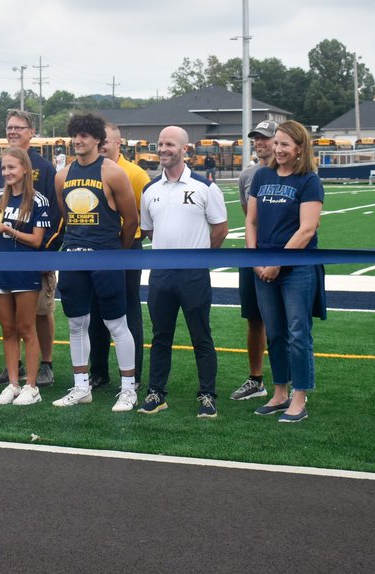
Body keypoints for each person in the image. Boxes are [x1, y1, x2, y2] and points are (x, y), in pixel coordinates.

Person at [136, 126, 228, 418]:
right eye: (160, 143)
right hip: (161, 273)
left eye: (170, 144)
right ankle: (156, 392)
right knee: (161, 335)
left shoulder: (205, 187)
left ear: (185, 150)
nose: (163, 149)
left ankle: (207, 395)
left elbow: (220, 229)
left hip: (194, 275)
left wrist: (197, 257)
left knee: (201, 335)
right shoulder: (150, 190)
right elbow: (148, 230)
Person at [51, 112, 139, 411]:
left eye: (84, 135)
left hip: (107, 257)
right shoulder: (62, 175)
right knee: (76, 324)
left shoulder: (113, 172)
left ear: (98, 140)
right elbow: (66, 219)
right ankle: (80, 387)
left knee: (116, 323)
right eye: (74, 135)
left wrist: (116, 253)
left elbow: (131, 221)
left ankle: (128, 388)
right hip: (74, 257)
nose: (78, 140)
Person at [244, 121, 325, 423]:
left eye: (285, 145)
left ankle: (299, 396)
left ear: (300, 148)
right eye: (276, 143)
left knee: (297, 333)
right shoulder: (262, 175)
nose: (278, 149)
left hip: (296, 269)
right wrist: (255, 260)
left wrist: (278, 262)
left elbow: (307, 229)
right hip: (263, 267)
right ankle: (279, 392)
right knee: (275, 333)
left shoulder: (309, 181)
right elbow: (251, 222)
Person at [0, 110, 60, 387]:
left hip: (34, 254)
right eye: (9, 127)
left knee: (40, 311)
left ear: (31, 131)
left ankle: (45, 365)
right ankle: (13, 368)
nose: (13, 131)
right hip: (4, 257)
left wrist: (48, 251)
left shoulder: (45, 168)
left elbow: (55, 212)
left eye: (19, 127)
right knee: (9, 322)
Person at [87, 122, 148, 391]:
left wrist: (122, 248)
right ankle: (98, 372)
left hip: (125, 250)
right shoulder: (87, 171)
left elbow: (140, 222)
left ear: (118, 143)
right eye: (97, 141)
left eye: (105, 142)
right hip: (96, 251)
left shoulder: (135, 174)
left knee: (129, 311)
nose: (101, 146)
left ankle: (133, 375)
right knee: (95, 313)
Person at [230, 120, 277, 401]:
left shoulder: (291, 173)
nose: (260, 143)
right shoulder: (247, 176)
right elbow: (248, 215)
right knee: (253, 319)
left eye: (266, 139)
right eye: (257, 139)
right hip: (252, 253)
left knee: (283, 321)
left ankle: (292, 382)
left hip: (281, 254)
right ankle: (256, 379)